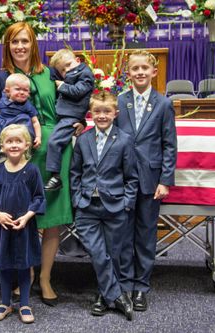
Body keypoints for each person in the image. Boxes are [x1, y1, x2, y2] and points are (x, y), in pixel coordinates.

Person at [0, 22, 78, 306]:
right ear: (7, 46)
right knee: (21, 217)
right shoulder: (1, 78)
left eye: (25, 41)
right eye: (14, 42)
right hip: (18, 154)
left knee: (50, 220)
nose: (20, 47)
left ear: (33, 43)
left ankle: (46, 277)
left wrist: (79, 120)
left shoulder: (50, 72)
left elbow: (75, 100)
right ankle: (26, 275)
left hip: (53, 147)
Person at [116, 50, 177, 312]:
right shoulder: (119, 102)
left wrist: (165, 180)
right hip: (122, 180)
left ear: (154, 72)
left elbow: (169, 145)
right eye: (135, 68)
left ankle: (141, 287)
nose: (140, 72)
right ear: (127, 73)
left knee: (145, 235)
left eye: (145, 68)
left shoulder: (163, 104)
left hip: (151, 181)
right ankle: (124, 285)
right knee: (123, 235)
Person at [70, 91, 138, 320]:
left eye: (107, 111)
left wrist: (127, 203)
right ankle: (117, 296)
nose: (102, 116)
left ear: (115, 113)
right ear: (91, 114)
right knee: (99, 254)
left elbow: (131, 176)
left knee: (113, 253)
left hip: (115, 205)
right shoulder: (83, 139)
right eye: (97, 111)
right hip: (87, 206)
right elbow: (75, 172)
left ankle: (103, 295)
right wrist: (77, 199)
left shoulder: (125, 139)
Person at [0, 124, 46, 324]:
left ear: (27, 145)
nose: (14, 145)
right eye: (9, 141)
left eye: (18, 141)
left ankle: (25, 303)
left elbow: (39, 198)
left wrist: (26, 217)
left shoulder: (32, 170)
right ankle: (6, 302)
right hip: (2, 227)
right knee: (5, 265)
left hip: (24, 227)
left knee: (24, 265)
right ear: (2, 146)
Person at [44, 48, 94, 191]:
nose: (67, 70)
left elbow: (78, 92)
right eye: (63, 70)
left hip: (71, 117)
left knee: (54, 142)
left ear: (78, 61)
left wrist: (62, 85)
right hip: (65, 115)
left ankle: (55, 176)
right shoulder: (75, 74)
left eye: (69, 65)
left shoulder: (85, 74)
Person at [0, 73, 42, 175]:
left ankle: (2, 178)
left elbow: (35, 121)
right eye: (18, 89)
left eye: (25, 90)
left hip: (13, 137)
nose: (22, 92)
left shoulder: (27, 106)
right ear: (7, 91)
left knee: (5, 160)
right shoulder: (2, 101)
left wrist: (38, 136)